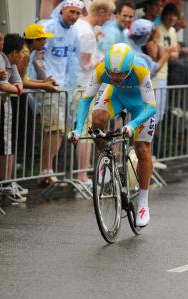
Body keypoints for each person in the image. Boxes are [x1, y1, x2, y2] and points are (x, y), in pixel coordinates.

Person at [69, 43, 157, 227]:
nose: (116, 77)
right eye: (112, 74)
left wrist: (133, 125)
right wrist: (78, 129)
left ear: (130, 68)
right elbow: (86, 101)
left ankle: (142, 203)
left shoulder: (140, 69)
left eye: (121, 74)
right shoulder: (102, 69)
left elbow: (151, 107)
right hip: (116, 97)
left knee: (142, 149)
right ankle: (105, 158)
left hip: (141, 106)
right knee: (97, 117)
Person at [31, 0, 84, 185]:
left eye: (78, 13)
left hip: (62, 87)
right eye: (72, 12)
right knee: (54, 129)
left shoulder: (74, 32)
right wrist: (45, 80)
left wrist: (70, 85)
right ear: (62, 10)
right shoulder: (49, 27)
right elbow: (36, 58)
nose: (75, 16)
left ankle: (47, 170)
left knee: (59, 131)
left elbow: (72, 60)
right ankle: (45, 170)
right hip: (47, 85)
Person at [73, 0, 115, 187]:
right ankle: (82, 176)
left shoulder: (81, 26)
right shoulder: (87, 31)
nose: (109, 19)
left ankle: (82, 173)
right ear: (101, 12)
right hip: (83, 85)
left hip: (78, 83)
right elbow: (86, 64)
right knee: (85, 130)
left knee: (83, 128)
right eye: (109, 14)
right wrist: (103, 61)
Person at [0, 33, 27, 203]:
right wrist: (14, 89)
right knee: (5, 143)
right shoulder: (1, 59)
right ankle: (4, 182)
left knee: (7, 143)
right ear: (15, 52)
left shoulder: (12, 64)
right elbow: (4, 86)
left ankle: (6, 182)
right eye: (22, 52)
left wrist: (15, 88)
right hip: (3, 107)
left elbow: (18, 82)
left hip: (5, 106)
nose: (24, 54)